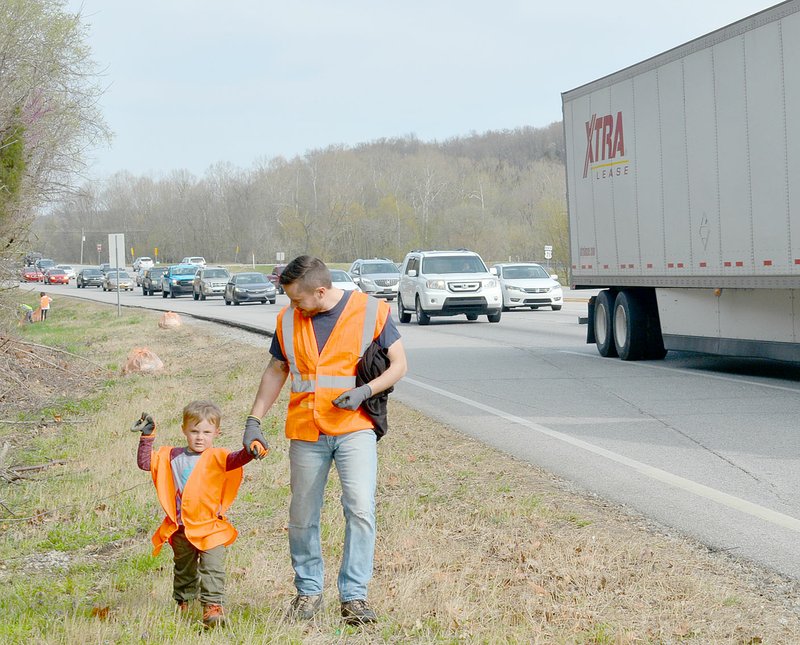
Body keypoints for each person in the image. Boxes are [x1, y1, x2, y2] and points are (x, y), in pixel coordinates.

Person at [243, 255, 407, 626]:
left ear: (320, 291)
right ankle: (308, 592)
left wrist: (365, 390)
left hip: (355, 427)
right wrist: (254, 419)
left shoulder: (370, 311)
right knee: (302, 514)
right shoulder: (287, 320)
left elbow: (400, 364)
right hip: (306, 430)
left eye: (297, 299)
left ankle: (354, 597)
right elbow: (276, 370)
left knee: (361, 508)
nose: (292, 306)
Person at [133, 400, 265, 628]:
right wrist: (147, 437)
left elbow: (239, 458)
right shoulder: (171, 456)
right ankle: (184, 602)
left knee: (213, 568)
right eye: (194, 431)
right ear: (184, 429)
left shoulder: (218, 457)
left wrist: (253, 448)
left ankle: (213, 607)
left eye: (206, 432)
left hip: (210, 527)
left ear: (216, 432)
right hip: (181, 527)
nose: (200, 437)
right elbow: (146, 464)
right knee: (184, 568)